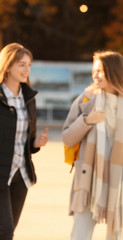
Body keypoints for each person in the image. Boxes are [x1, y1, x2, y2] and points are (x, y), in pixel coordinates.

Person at [62, 51, 123, 240]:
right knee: (80, 235)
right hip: (88, 180)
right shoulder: (86, 100)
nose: (95, 75)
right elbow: (67, 138)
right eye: (94, 71)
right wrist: (87, 120)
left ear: (114, 72)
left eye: (100, 71)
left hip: (121, 182)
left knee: (119, 236)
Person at [0, 43, 48, 240]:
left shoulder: (28, 98)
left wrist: (34, 143)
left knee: (8, 230)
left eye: (29, 65)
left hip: (21, 175)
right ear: (8, 66)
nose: (26, 69)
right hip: (1, 175)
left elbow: (25, 141)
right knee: (5, 232)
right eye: (21, 64)